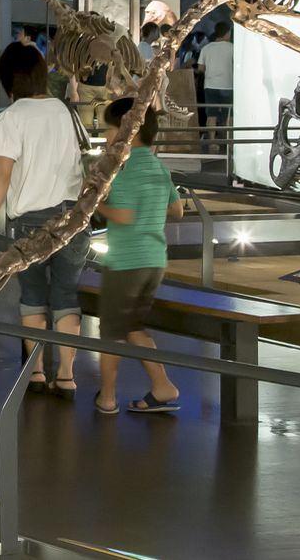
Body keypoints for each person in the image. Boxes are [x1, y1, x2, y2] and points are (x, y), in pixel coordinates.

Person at [0, 41, 89, 398]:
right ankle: (68, 376)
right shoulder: (65, 111)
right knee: (67, 294)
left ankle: (37, 372)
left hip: (30, 223)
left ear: (8, 80)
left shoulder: (11, 117)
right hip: (72, 218)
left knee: (32, 296)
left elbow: (4, 173)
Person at [93, 98, 184, 416]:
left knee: (111, 334)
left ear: (129, 130)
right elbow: (177, 210)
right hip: (154, 259)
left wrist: (96, 205)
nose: (106, 134)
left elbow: (125, 216)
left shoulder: (126, 168)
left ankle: (107, 397)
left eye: (110, 127)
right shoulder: (158, 167)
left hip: (126, 262)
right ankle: (162, 387)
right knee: (133, 327)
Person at [197, 22, 234, 153]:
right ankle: (229, 142)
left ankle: (212, 143)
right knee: (228, 115)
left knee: (211, 115)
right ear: (227, 33)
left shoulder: (206, 48)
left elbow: (200, 68)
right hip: (228, 86)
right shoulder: (232, 48)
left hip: (210, 86)